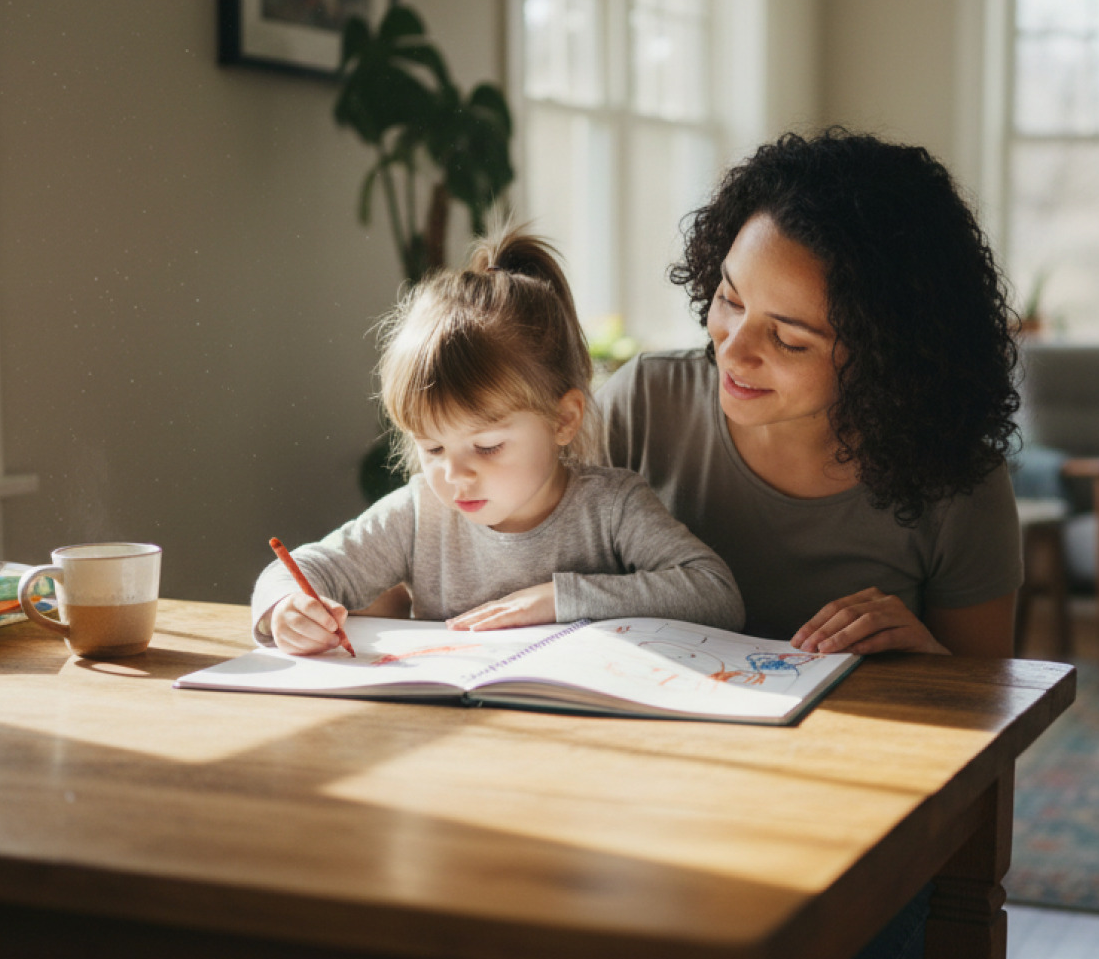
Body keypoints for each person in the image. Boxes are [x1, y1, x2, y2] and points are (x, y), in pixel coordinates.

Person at [594, 128, 1024, 959]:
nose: (735, 351)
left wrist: (930, 662)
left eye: (788, 336)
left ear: (882, 355)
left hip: (867, 859)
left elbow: (993, 726)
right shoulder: (642, 407)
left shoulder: (956, 481)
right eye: (728, 301)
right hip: (648, 819)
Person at [254, 226, 745, 654]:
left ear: (563, 419)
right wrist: (286, 608)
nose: (454, 475)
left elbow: (717, 594)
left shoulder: (612, 507)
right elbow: (302, 569)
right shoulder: (419, 513)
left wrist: (560, 599)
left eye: (487, 446)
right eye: (433, 449)